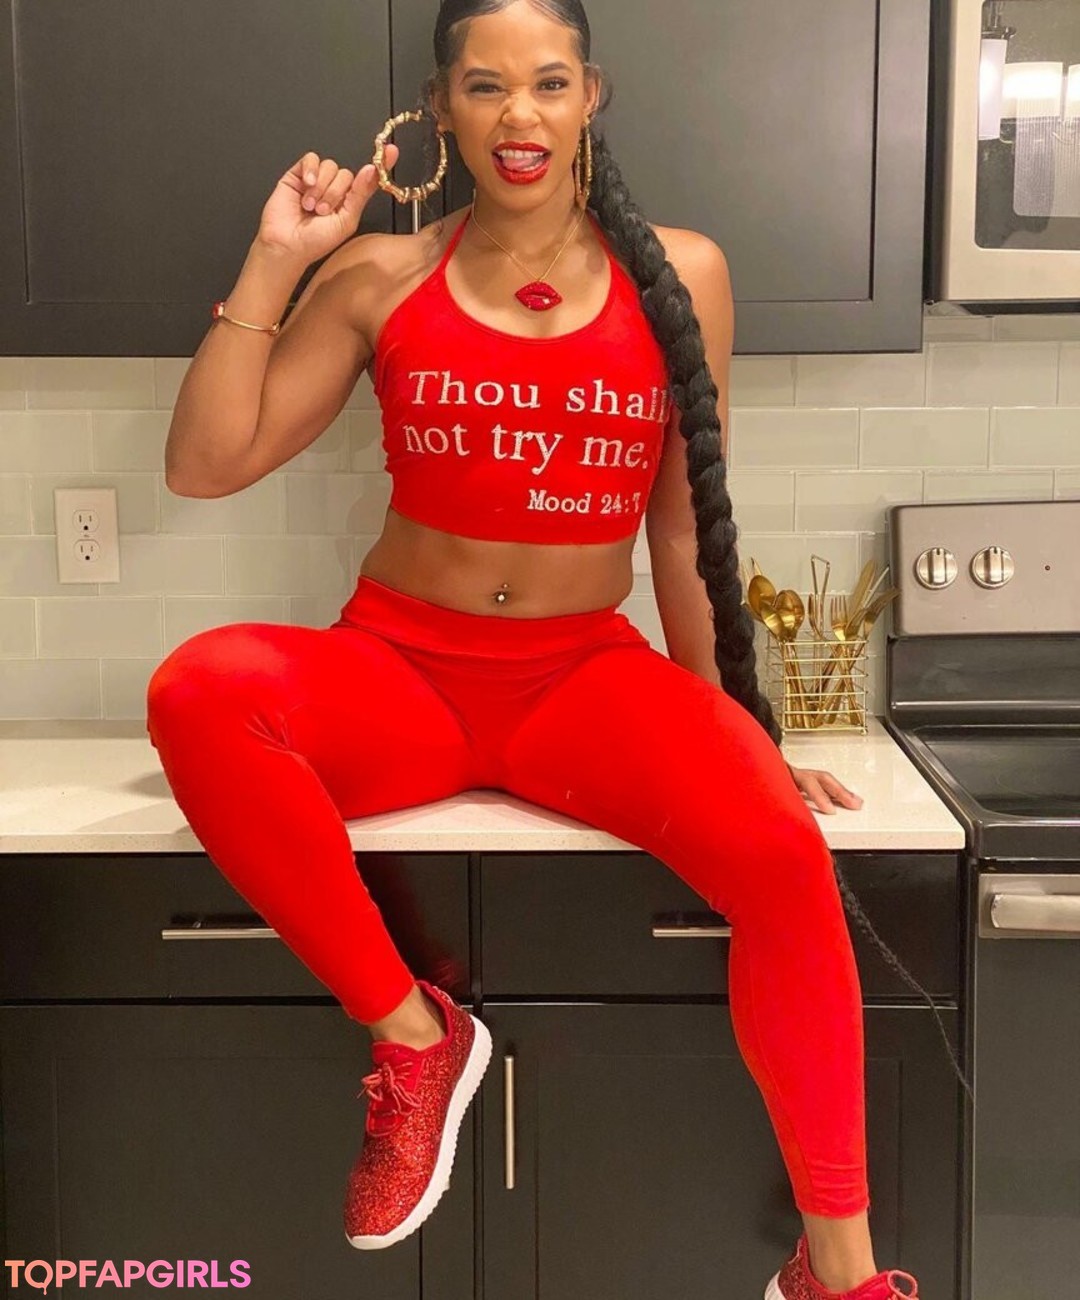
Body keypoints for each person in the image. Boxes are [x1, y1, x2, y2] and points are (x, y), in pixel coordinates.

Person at [145, 2, 954, 1295]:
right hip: (402, 669)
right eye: (485, 85)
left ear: (591, 97)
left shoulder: (682, 273)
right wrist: (276, 257)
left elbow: (685, 526)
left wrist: (736, 729)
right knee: (199, 692)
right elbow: (203, 464)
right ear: (440, 108)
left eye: (548, 83)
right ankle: (416, 1038)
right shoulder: (381, 274)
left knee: (783, 858)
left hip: (583, 679)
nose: (518, 114)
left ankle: (837, 1273)